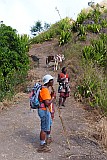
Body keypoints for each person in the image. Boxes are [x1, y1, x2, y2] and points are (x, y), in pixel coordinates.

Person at [37, 74, 56, 153]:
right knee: (44, 128)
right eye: (51, 80)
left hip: (46, 110)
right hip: (44, 110)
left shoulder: (46, 89)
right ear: (48, 82)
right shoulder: (44, 90)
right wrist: (53, 98)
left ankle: (48, 138)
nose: (53, 81)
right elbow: (47, 103)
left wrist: (51, 96)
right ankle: (42, 145)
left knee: (49, 124)